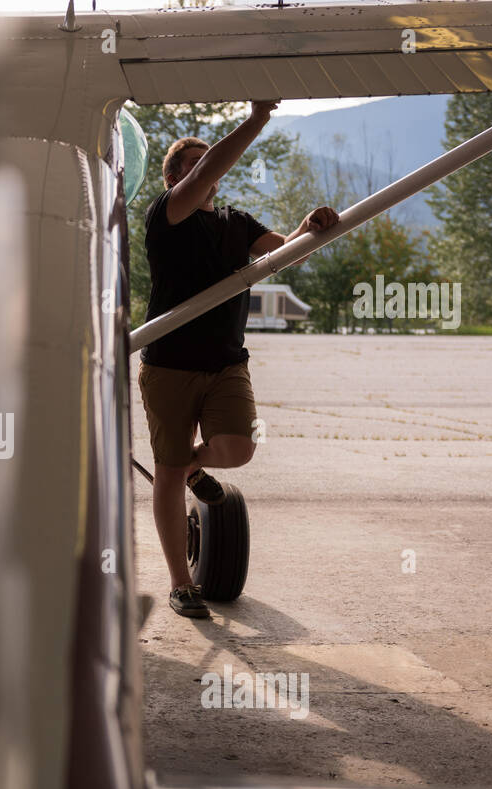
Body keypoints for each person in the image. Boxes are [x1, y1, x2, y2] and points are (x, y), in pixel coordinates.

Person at [139, 99, 339, 619]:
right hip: (170, 363)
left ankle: (190, 469)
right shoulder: (167, 216)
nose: (210, 170)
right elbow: (208, 167)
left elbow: (286, 252)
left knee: (237, 449)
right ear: (175, 178)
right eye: (196, 164)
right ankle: (182, 585)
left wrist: (310, 225)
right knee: (166, 466)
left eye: (210, 164)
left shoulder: (236, 222)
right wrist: (256, 119)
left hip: (226, 360)